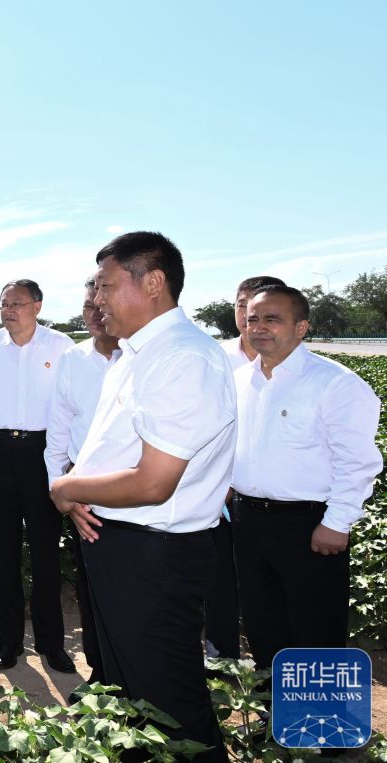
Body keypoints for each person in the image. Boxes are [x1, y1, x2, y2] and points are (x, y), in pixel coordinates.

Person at [50, 231, 234, 760]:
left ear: (153, 283)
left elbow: (155, 481)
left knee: (170, 702)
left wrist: (67, 487)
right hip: (123, 542)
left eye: (106, 286)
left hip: (155, 552)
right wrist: (85, 491)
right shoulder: (135, 353)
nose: (98, 298)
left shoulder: (183, 358)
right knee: (131, 695)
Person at [231, 285, 381, 674]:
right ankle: (276, 719)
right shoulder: (238, 381)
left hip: (309, 527)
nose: (259, 327)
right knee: (264, 626)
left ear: (301, 328)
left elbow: (358, 462)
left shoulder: (335, 383)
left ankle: (320, 728)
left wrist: (336, 523)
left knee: (316, 631)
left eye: (272, 319)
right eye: (252, 319)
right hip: (248, 522)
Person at [0, 279, 76, 672]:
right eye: (3, 304)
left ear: (37, 306)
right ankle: (7, 642)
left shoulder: (61, 346)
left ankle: (51, 644)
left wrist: (62, 463)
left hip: (44, 453)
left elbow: (69, 407)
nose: (9, 310)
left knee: (46, 553)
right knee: (2, 552)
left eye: (17, 304)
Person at [44, 275, 121, 689]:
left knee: (130, 593)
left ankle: (130, 677)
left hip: (135, 490)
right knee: (90, 588)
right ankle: (100, 673)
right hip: (81, 490)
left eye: (99, 305)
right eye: (87, 306)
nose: (92, 314)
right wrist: (63, 490)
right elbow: (58, 431)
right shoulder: (73, 360)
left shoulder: (141, 359)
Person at [205, 275, 284, 661]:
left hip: (269, 500)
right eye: (241, 306)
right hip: (218, 494)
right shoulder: (214, 356)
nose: (248, 316)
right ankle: (221, 655)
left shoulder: (301, 371)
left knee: (270, 591)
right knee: (220, 579)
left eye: (258, 309)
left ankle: (273, 668)